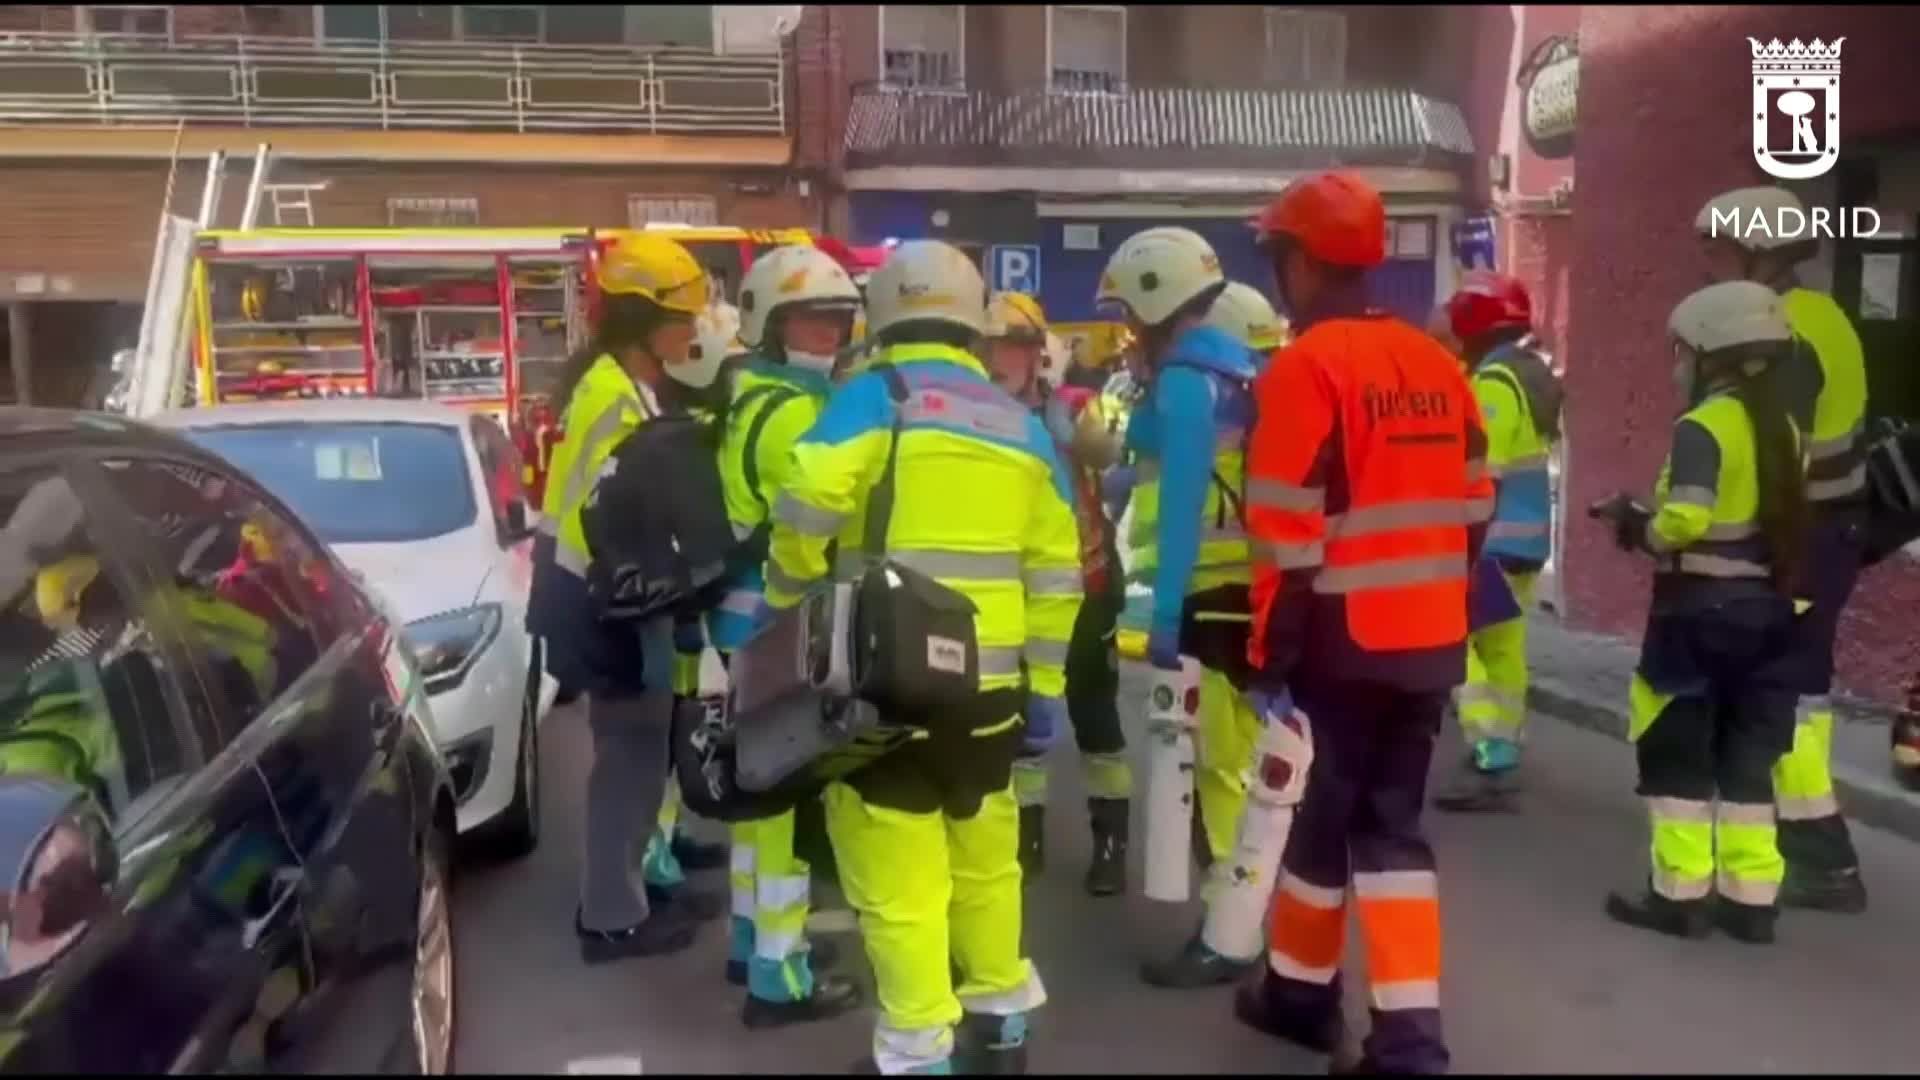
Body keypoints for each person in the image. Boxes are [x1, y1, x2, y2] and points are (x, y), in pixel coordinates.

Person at [761, 240, 1075, 1075]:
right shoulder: (1020, 422)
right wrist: (1043, 684)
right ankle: (1002, 1024)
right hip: (995, 691)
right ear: (972, 320)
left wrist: (793, 588)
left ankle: (916, 1051)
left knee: (898, 876)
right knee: (986, 861)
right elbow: (1057, 567)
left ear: (883, 316)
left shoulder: (875, 397)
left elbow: (812, 495)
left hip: (888, 685)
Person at [1234, 170, 1494, 1074]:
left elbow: (1282, 530)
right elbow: (1474, 505)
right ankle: (1394, 1034)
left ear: (1301, 262)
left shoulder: (1305, 368)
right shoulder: (1439, 364)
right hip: (1426, 641)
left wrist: (1271, 652)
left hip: (1340, 644)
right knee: (1387, 830)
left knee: (1317, 818)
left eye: (1276, 256)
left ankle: (1305, 1002)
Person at [525, 232, 727, 964]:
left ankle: (638, 886)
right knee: (628, 761)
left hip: (599, 595)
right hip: (603, 603)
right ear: (644, 318)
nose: (694, 329)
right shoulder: (615, 398)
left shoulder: (625, 384)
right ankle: (612, 919)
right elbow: (607, 515)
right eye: (682, 315)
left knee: (640, 754)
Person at [1591, 280, 1806, 946]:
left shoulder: (1703, 426)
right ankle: (1751, 900)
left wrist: (1637, 527)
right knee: (1747, 757)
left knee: (1678, 752)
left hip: (1700, 616)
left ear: (1714, 353)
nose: (1678, 363)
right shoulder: (1786, 427)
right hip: (1770, 613)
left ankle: (1680, 895)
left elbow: (1686, 517)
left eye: (1683, 352)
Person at [1094, 228, 1263, 989]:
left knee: (1224, 768)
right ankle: (1244, 916)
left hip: (1212, 593)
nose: (1128, 325)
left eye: (1131, 309)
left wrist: (1163, 616)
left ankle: (1231, 932)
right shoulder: (1231, 367)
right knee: (1240, 762)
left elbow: (1190, 497)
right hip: (1242, 588)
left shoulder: (1190, 379)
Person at [1695, 186, 1871, 913]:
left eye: (1719, 250)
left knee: (1785, 688)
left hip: (1805, 537)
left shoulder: (1785, 335)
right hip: (1831, 529)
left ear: (1757, 251)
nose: (1709, 265)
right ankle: (1783, 840)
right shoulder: (1824, 315)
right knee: (1796, 682)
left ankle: (1821, 856)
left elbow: (1774, 452)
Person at [702, 243, 864, 1028]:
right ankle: (779, 973)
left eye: (836, 322)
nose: (826, 336)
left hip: (741, 617)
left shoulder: (752, 393)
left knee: (755, 793)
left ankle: (750, 940)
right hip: (775, 617)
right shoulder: (796, 410)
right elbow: (821, 515)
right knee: (781, 794)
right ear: (769, 323)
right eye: (810, 320)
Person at [980, 291, 1133, 897]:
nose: (1002, 358)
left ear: (1036, 352)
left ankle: (1112, 845)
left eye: (1014, 345)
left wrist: (1079, 434)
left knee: (1095, 715)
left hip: (1086, 583)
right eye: (991, 345)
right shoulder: (970, 412)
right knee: (1021, 720)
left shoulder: (1072, 405)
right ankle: (1026, 839)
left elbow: (1113, 459)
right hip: (1010, 589)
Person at [1433, 271, 1564, 812]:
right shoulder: (1531, 374)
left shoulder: (1492, 384)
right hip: (1526, 542)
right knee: (1505, 651)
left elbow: (1481, 470)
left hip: (1489, 541)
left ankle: (1491, 751)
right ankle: (1502, 750)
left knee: (1455, 647)